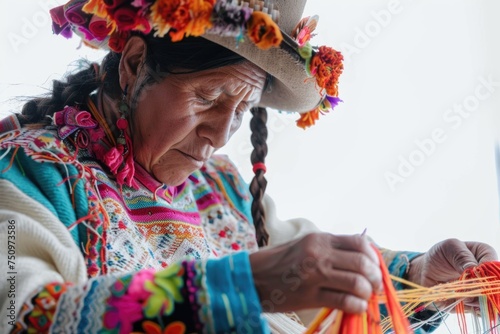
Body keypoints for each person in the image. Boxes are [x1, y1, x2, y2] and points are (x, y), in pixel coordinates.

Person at [0, 0, 496, 333]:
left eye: (241, 111)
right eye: (208, 97)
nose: (218, 137)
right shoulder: (29, 173)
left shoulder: (221, 189)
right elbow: (21, 317)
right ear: (133, 64)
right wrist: (242, 286)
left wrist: (420, 277)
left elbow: (311, 284)